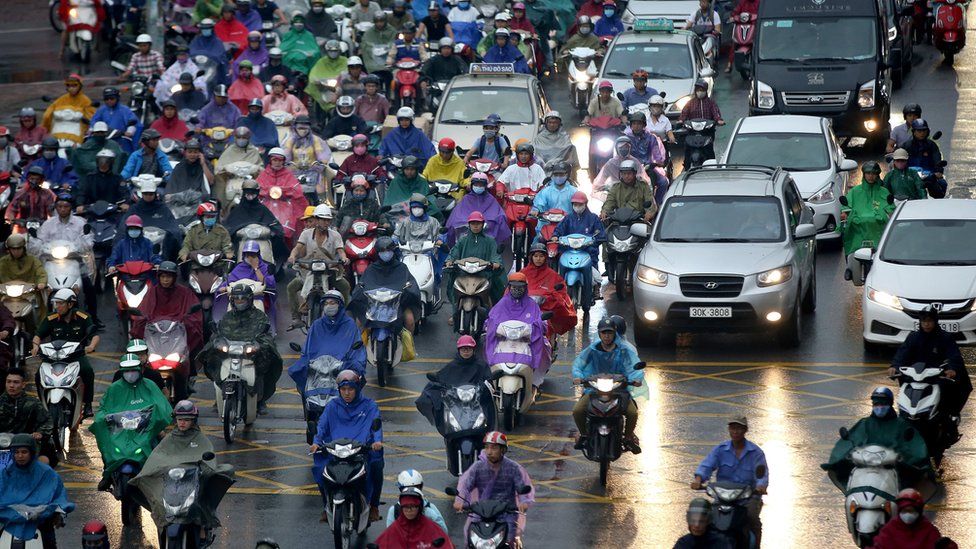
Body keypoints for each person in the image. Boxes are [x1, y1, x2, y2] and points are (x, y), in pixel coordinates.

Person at [129, 400, 235, 545]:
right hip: (172, 484)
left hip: (193, 483)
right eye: (179, 419)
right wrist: (151, 471)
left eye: (186, 420)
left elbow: (208, 458)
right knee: (160, 505)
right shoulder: (169, 439)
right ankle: (163, 527)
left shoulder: (200, 439)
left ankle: (203, 527)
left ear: (193, 421)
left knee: (201, 499)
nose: (182, 423)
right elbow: (158, 457)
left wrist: (205, 469)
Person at [309, 369, 385, 522]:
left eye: (350, 389)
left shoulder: (369, 405)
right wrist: (316, 443)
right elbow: (322, 426)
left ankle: (374, 506)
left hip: (361, 450)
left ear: (357, 389)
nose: (347, 393)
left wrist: (377, 441)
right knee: (319, 469)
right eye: (343, 389)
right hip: (336, 451)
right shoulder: (332, 406)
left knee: (376, 465)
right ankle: (326, 506)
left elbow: (376, 426)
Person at [90, 356, 172, 492]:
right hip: (120, 430)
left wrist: (155, 421)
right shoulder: (114, 389)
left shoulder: (149, 385)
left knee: (160, 443)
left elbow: (161, 405)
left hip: (145, 429)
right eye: (127, 371)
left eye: (133, 370)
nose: (130, 374)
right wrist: (102, 419)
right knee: (107, 446)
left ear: (140, 370)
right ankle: (108, 471)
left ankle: (159, 475)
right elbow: (104, 408)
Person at [822, 388, 932, 490]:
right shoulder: (864, 423)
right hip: (865, 466)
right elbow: (851, 441)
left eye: (883, 404)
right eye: (876, 404)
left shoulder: (902, 425)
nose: (879, 407)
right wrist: (844, 456)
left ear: (890, 404)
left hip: (893, 469)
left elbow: (914, 447)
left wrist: (903, 457)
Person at [891, 306, 971, 444]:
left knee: (953, 392)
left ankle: (950, 420)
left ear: (935, 321)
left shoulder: (945, 338)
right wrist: (894, 366)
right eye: (923, 321)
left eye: (929, 321)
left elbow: (954, 356)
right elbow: (902, 354)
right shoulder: (913, 337)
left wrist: (951, 369)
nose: (926, 324)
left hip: (938, 379)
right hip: (916, 378)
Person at [199, 284, 282, 413]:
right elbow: (219, 333)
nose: (239, 302)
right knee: (210, 356)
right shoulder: (227, 317)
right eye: (236, 299)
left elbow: (266, 336)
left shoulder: (259, 316)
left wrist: (259, 345)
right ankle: (220, 391)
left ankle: (260, 400)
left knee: (267, 360)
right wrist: (218, 342)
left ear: (249, 300)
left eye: (242, 299)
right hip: (230, 352)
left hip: (252, 354)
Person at [130, 261, 203, 398]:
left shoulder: (184, 293)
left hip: (177, 335)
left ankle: (188, 379)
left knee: (190, 351)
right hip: (155, 335)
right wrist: (141, 318)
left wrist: (187, 320)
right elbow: (143, 310)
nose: (165, 280)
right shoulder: (153, 292)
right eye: (163, 277)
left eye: (168, 277)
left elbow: (194, 313)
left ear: (174, 278)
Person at [691, 416, 767, 546]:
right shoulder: (720, 449)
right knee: (704, 516)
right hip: (723, 496)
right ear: (729, 430)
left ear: (745, 430)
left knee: (752, 519)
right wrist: (698, 480)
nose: (735, 432)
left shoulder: (756, 453)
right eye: (733, 428)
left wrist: (761, 486)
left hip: (747, 497)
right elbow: (707, 465)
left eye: (739, 428)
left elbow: (761, 474)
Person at [572, 316, 642, 450]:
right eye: (604, 333)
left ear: (615, 334)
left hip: (619, 390)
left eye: (610, 333)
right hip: (594, 390)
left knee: (632, 413)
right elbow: (578, 364)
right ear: (599, 334)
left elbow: (633, 366)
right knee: (578, 411)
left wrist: (636, 378)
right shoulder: (592, 350)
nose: (607, 336)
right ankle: (584, 435)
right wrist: (578, 377)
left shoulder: (624, 350)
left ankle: (627, 438)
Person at [453, 431, 535, 544]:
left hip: (506, 515)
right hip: (481, 514)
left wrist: (524, 502)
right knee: (470, 538)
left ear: (503, 450)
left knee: (510, 538)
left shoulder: (513, 468)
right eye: (487, 448)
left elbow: (522, 488)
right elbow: (465, 485)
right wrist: (459, 500)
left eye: (494, 448)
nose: (489, 452)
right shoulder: (478, 467)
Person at [288, 290, 367, 401]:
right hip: (318, 369)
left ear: (340, 305)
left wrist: (349, 363)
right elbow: (308, 349)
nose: (328, 306)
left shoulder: (350, 325)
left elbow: (356, 350)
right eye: (326, 303)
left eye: (332, 303)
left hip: (340, 367)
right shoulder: (317, 325)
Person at [34, 193, 100, 327]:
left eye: (66, 206)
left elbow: (88, 240)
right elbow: (39, 240)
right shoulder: (48, 224)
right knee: (40, 286)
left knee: (88, 286)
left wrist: (81, 246)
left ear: (71, 208)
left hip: (75, 260)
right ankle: (42, 317)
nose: (62, 209)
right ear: (55, 208)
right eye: (59, 206)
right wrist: (36, 245)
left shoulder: (80, 223)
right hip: (52, 261)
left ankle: (93, 318)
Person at [32, 289, 99, 418]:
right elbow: (37, 335)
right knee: (38, 375)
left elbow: (95, 335)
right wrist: (35, 346)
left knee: (88, 371)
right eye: (56, 303)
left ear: (70, 304)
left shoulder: (82, 316)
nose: (57, 306)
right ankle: (42, 404)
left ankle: (88, 405)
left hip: (76, 355)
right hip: (53, 356)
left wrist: (91, 346)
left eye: (61, 303)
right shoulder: (51, 318)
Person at [0, 433, 75, 549]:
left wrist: (55, 511)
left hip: (40, 522)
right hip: (10, 522)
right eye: (16, 452)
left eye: (24, 452)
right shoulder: (6, 474)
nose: (20, 456)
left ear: (32, 453)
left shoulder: (46, 473)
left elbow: (59, 496)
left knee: (49, 541)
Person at [286, 205, 351, 321]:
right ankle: (296, 318)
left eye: (328, 220)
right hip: (308, 270)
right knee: (291, 287)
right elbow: (297, 248)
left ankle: (343, 316)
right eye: (323, 219)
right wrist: (292, 256)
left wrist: (344, 258)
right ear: (316, 220)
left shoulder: (335, 235)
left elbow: (340, 251)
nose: (326, 223)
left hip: (329, 271)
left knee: (345, 286)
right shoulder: (305, 234)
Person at [416, 333, 492, 431]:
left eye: (468, 349)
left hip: (476, 401)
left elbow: (488, 380)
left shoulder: (481, 365)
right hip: (455, 402)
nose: (466, 352)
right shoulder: (452, 366)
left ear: (473, 350)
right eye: (463, 349)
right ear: (459, 350)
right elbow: (441, 379)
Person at [486, 272, 551, 386]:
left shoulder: (532, 305)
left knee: (544, 346)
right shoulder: (502, 303)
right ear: (509, 287)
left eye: (520, 287)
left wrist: (540, 324)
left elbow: (541, 321)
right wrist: (488, 325)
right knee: (485, 343)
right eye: (514, 287)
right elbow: (492, 318)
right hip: (504, 340)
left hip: (526, 341)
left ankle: (535, 380)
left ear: (525, 288)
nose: (517, 290)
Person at [347, 236, 422, 333]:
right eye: (382, 250)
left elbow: (411, 285)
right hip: (374, 305)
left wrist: (408, 291)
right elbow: (362, 284)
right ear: (377, 252)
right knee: (359, 322)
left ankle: (407, 347)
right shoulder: (371, 268)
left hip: (398, 304)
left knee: (410, 320)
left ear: (393, 251)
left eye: (388, 250)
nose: (386, 253)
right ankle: (359, 346)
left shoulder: (402, 268)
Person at [551, 191, 605, 306]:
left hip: (587, 252)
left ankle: (595, 287)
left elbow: (600, 234)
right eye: (575, 204)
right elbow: (559, 230)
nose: (577, 207)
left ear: (585, 204)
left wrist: (595, 240)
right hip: (568, 251)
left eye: (580, 204)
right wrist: (556, 236)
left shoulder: (593, 219)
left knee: (594, 273)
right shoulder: (568, 218)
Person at [445, 211, 506, 309]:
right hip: (463, 273)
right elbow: (454, 252)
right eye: (473, 223)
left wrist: (496, 263)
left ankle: (494, 311)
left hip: (484, 273)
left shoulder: (490, 241)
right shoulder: (462, 240)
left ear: (483, 224)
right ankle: (455, 310)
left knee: (497, 286)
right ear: (469, 225)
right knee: (453, 285)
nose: (476, 226)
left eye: (478, 223)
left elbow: (495, 254)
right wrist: (450, 261)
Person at [222, 179, 288, 264]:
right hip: (241, 241)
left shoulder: (263, 209)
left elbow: (276, 227)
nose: (250, 196)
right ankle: (234, 267)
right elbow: (228, 228)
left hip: (262, 240)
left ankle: (274, 266)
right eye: (247, 193)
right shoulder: (237, 211)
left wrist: (272, 232)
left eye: (252, 193)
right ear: (243, 193)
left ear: (257, 193)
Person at [116, 177, 182, 260]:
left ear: (155, 194)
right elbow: (123, 228)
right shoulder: (134, 208)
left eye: (150, 194)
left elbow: (172, 226)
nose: (148, 196)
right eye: (145, 193)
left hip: (161, 246)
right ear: (142, 194)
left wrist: (168, 234)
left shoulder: (163, 208)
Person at [519, 242, 576, 336]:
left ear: (545, 257)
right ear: (531, 257)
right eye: (535, 256)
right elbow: (512, 289)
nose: (538, 259)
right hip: (524, 308)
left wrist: (550, 297)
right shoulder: (522, 273)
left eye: (541, 256)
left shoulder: (553, 275)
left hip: (545, 309)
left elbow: (561, 293)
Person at [0, 368, 54, 465]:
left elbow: (47, 421)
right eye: (9, 382)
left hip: (27, 443)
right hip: (2, 443)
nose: (12, 385)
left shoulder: (33, 403)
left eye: (16, 382)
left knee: (45, 459)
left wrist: (40, 433)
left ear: (23, 384)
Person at [841, 160, 893, 258]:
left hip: (878, 230)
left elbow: (890, 209)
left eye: (873, 173)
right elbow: (846, 207)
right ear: (864, 174)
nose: (871, 176)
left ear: (877, 175)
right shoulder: (854, 191)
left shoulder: (884, 192)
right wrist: (845, 213)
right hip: (858, 230)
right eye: (868, 173)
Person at [377, 487, 454, 549]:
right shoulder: (395, 527)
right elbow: (383, 543)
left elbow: (446, 543)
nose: (409, 510)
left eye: (413, 506)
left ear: (420, 507)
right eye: (405, 507)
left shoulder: (430, 526)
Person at [444, 174, 510, 245]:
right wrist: (467, 222)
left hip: (487, 233)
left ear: (485, 186)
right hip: (466, 233)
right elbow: (456, 216)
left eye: (481, 185)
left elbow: (499, 214)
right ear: (472, 185)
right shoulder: (466, 198)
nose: (478, 187)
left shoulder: (491, 199)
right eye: (476, 184)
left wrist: (487, 222)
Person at [870, 488, 942, 549]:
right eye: (904, 511)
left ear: (919, 511)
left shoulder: (929, 531)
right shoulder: (889, 529)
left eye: (911, 511)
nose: (908, 514)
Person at [0, 234, 48, 322]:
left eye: (19, 248)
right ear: (9, 250)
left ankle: (37, 330)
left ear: (23, 248)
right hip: (7, 295)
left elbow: (41, 272)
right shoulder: (3, 262)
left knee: (36, 309)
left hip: (28, 294)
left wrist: (41, 283)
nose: (16, 251)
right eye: (13, 249)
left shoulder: (32, 260)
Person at [384, 471, 449, 533]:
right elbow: (444, 531)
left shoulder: (394, 510)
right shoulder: (430, 507)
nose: (409, 510)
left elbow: (389, 535)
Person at [678, 80, 725, 164]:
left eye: (702, 90)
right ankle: (686, 165)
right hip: (692, 132)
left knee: (709, 149)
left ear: (706, 90)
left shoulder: (711, 103)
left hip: (707, 132)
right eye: (698, 90)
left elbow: (716, 112)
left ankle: (712, 164)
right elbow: (684, 113)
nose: (700, 92)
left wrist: (719, 120)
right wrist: (681, 120)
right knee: (687, 148)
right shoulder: (690, 103)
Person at [42, 74, 96, 146]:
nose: (71, 88)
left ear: (80, 86)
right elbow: (47, 116)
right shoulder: (61, 100)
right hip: (58, 136)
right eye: (69, 85)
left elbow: (91, 119)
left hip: (75, 139)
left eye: (74, 85)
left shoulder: (86, 101)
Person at [901, 118, 946, 198]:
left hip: (929, 176)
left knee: (942, 183)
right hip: (910, 176)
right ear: (914, 132)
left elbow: (937, 159)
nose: (922, 133)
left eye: (924, 131)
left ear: (927, 132)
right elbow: (898, 157)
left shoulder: (932, 145)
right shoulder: (906, 145)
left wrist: (939, 171)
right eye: (919, 131)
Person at [360, 12, 398, 91]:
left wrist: (386, 49)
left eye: (381, 21)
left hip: (389, 62)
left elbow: (394, 43)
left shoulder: (392, 31)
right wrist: (374, 49)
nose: (379, 24)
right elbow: (366, 46)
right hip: (373, 62)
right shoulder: (369, 32)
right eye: (377, 22)